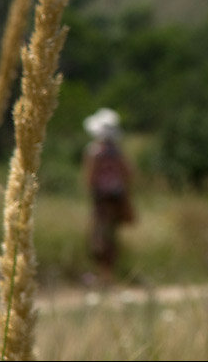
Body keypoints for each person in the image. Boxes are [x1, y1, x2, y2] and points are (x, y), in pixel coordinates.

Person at [82, 107, 135, 284]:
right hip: (117, 196)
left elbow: (90, 176)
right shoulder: (117, 152)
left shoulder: (94, 151)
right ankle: (109, 274)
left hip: (101, 197)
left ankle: (103, 275)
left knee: (99, 234)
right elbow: (128, 173)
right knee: (112, 234)